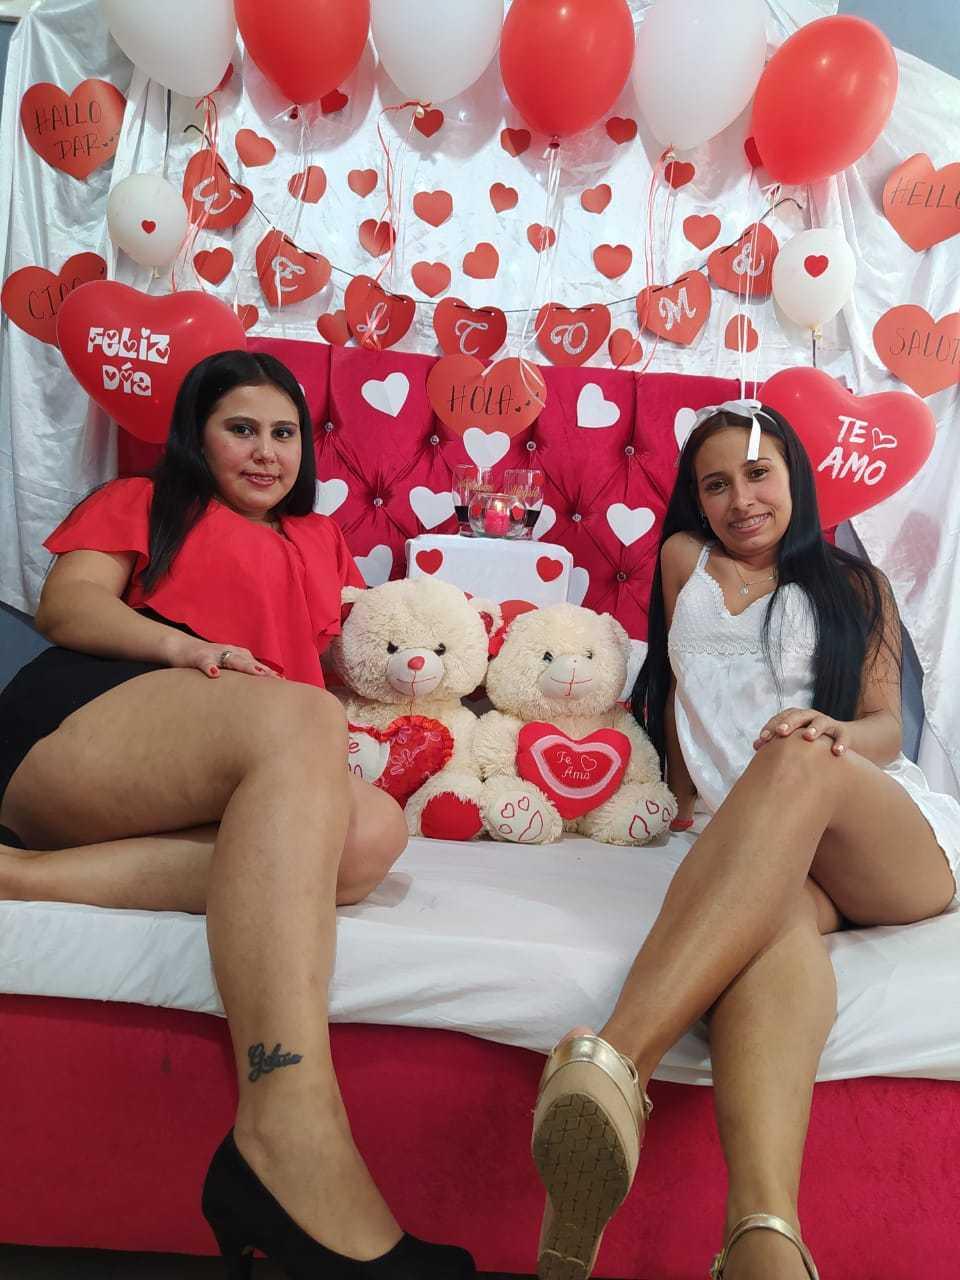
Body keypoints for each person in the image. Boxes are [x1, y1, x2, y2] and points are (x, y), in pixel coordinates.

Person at [0, 350, 476, 1279]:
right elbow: (68, 606)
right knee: (301, 718)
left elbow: (334, 661)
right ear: (198, 435)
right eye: (241, 429)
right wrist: (190, 651)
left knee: (373, 834)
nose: (266, 452)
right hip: (92, 720)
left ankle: (21, 878)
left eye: (284, 433)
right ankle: (285, 1121)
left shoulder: (320, 540)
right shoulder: (147, 500)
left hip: (241, 753)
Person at [528, 402, 960, 1280]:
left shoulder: (857, 584)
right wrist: (677, 801)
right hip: (767, 847)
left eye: (758, 475)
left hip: (880, 840)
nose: (741, 501)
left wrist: (829, 731)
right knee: (775, 929)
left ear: (794, 476)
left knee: (795, 755)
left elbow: (886, 729)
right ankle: (765, 1233)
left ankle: (618, 1060)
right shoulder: (683, 563)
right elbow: (682, 703)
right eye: (716, 485)